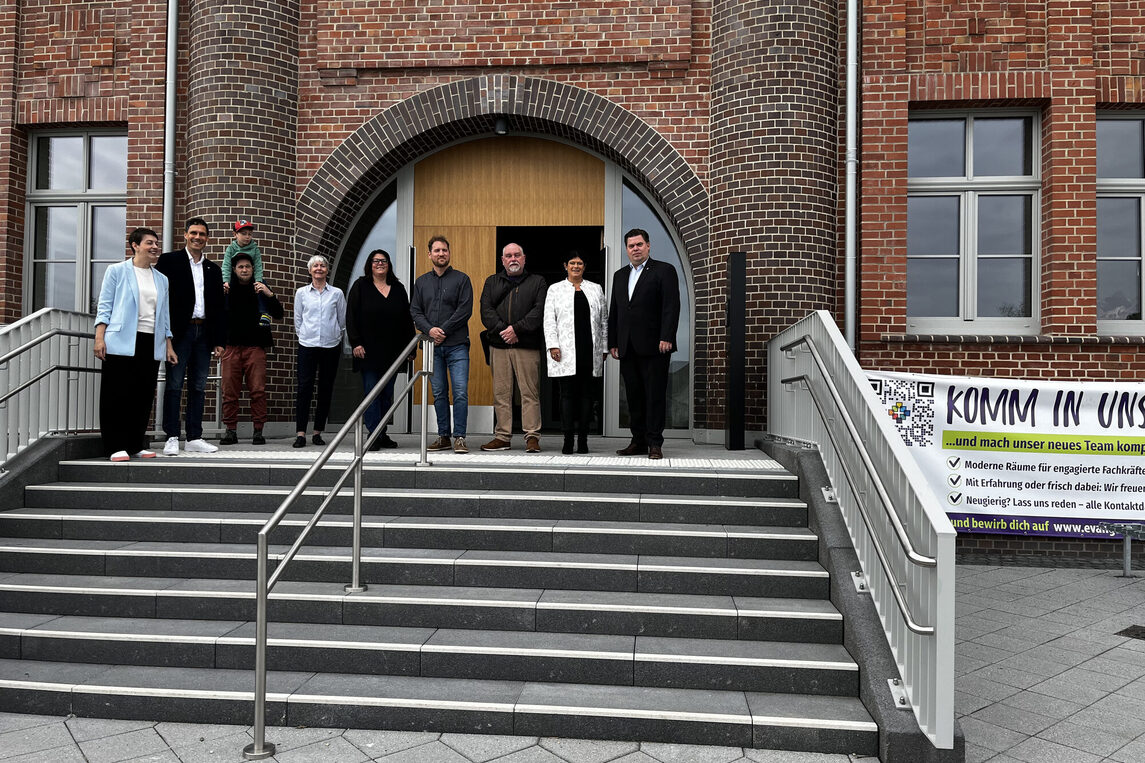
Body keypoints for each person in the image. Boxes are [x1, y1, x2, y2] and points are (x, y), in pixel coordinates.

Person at [93, 228, 178, 461]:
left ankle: (134, 444)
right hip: (120, 340)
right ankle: (114, 446)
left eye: (156, 243)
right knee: (116, 394)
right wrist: (100, 337)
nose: (154, 247)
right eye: (149, 243)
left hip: (151, 341)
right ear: (135, 245)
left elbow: (165, 315)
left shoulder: (162, 279)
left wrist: (168, 344)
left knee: (142, 394)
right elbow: (105, 306)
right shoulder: (117, 271)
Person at [608, 228, 681, 460]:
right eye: (631, 246)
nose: (635, 249)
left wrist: (667, 336)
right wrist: (613, 341)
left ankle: (654, 443)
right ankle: (637, 441)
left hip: (656, 346)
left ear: (648, 246)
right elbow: (616, 311)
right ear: (626, 249)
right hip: (627, 347)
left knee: (655, 395)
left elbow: (671, 306)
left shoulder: (664, 271)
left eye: (639, 244)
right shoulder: (619, 276)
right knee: (634, 397)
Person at [156, 217, 226, 456]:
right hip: (179, 332)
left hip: (204, 333)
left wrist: (218, 340)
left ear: (207, 239)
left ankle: (194, 436)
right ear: (185, 235)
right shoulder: (169, 262)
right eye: (194, 233)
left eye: (202, 234)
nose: (198, 238)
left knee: (199, 385)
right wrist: (166, 337)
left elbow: (218, 308)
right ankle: (172, 436)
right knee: (174, 384)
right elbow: (161, 300)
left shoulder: (213, 270)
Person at [479, 243, 548, 453]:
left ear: (524, 258)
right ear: (503, 260)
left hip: (527, 345)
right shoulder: (492, 282)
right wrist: (504, 331)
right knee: (501, 393)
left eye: (517, 255)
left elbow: (539, 311)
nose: (513, 259)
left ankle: (532, 437)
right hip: (498, 345)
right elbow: (486, 310)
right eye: (508, 256)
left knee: (530, 393)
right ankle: (502, 437)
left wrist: (516, 330)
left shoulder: (538, 282)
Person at [410, 235, 473, 454]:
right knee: (438, 393)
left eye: (444, 250)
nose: (441, 254)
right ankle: (444, 436)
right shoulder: (421, 282)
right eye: (436, 251)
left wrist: (442, 330)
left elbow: (465, 310)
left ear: (449, 253)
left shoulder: (462, 279)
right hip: (431, 347)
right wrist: (430, 330)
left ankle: (460, 437)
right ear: (429, 255)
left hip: (457, 345)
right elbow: (415, 311)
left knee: (460, 392)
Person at [347, 249, 415, 450]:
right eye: (376, 261)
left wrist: (412, 347)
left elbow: (406, 320)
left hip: (393, 352)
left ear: (389, 264)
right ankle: (373, 434)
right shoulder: (361, 286)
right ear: (370, 264)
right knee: (372, 392)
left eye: (383, 260)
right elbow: (351, 316)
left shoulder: (398, 288)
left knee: (386, 394)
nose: (379, 264)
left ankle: (381, 433)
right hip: (367, 351)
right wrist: (356, 342)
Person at [543, 251, 607, 454]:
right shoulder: (555, 289)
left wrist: (604, 347)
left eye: (580, 263)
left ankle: (584, 439)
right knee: (567, 395)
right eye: (572, 263)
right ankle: (568, 438)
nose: (576, 266)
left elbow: (604, 320)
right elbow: (548, 319)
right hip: (565, 350)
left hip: (589, 349)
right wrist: (553, 345)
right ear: (566, 265)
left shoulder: (596, 289)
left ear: (584, 267)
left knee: (587, 395)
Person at [219, 251, 283, 446]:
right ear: (234, 270)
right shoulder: (226, 289)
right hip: (231, 347)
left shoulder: (260, 288)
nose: (244, 269)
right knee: (229, 391)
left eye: (247, 266)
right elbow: (215, 317)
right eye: (240, 267)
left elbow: (279, 313)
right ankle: (230, 431)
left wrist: (269, 293)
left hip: (255, 347)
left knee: (258, 391)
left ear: (253, 269)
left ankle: (258, 431)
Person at [293, 254, 346, 448]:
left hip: (330, 346)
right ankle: (300, 433)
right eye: (315, 266)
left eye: (322, 266)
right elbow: (298, 319)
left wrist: (336, 336)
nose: (319, 269)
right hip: (307, 345)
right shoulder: (302, 293)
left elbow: (342, 320)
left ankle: (317, 432)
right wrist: (304, 336)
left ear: (327, 270)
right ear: (310, 270)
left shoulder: (337, 293)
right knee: (304, 388)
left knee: (325, 389)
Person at [221, 218, 272, 326]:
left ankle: (264, 313)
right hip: (234, 277)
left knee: (262, 285)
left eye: (249, 234)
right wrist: (226, 281)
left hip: (251, 278)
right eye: (244, 234)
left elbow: (258, 266)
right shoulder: (231, 249)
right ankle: (224, 313)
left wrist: (258, 281)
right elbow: (226, 266)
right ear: (235, 234)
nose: (247, 236)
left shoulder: (254, 249)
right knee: (225, 289)